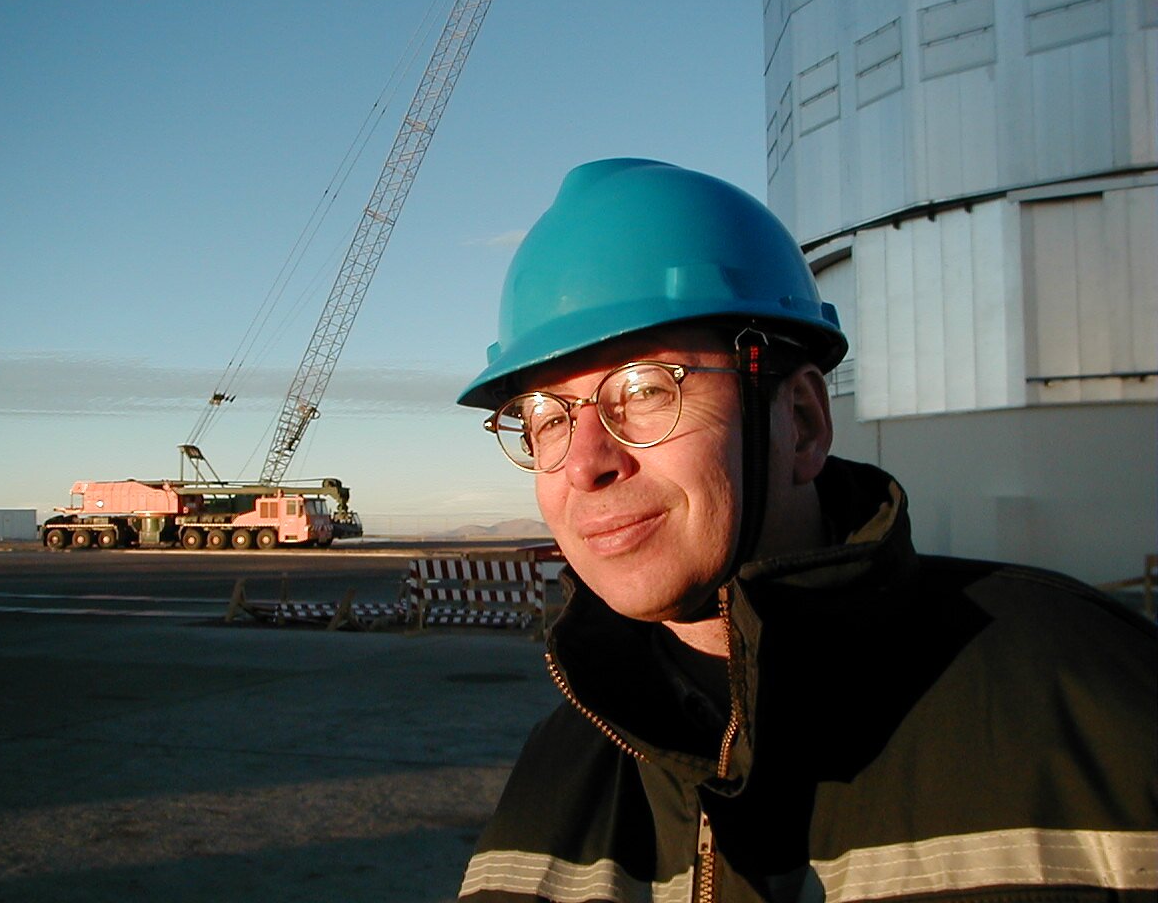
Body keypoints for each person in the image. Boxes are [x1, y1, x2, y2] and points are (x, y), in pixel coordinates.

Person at [453, 158, 1158, 903]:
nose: (586, 462)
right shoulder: (552, 779)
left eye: (645, 390)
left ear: (803, 421)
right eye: (544, 419)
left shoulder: (1096, 710)